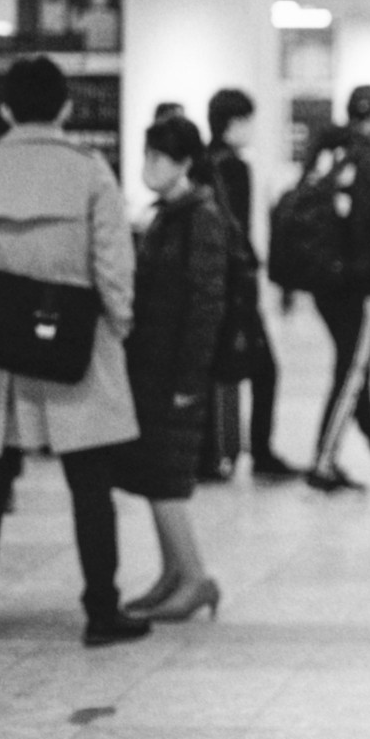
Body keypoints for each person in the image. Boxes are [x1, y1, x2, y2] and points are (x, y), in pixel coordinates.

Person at [0, 55, 150, 647]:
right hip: (77, 340)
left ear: (5, 109)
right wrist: (119, 322)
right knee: (91, 483)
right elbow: (114, 263)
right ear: (66, 107)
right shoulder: (90, 171)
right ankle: (102, 612)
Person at [117, 117, 228, 621]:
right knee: (154, 474)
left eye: (160, 157)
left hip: (175, 372)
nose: (149, 166)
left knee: (167, 480)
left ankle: (197, 577)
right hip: (151, 366)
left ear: (184, 163)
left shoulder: (198, 218)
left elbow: (206, 303)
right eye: (147, 155)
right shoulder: (167, 215)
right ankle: (173, 574)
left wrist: (189, 379)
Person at [305, 84, 370, 493]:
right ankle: (324, 461)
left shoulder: (321, 154)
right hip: (358, 283)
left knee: (353, 366)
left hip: (321, 282)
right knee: (352, 369)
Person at [205, 87, 297, 479]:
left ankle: (221, 451)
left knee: (222, 371)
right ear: (233, 123)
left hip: (212, 287)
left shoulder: (203, 163)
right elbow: (236, 229)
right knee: (264, 370)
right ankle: (259, 451)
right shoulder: (234, 168)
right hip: (236, 288)